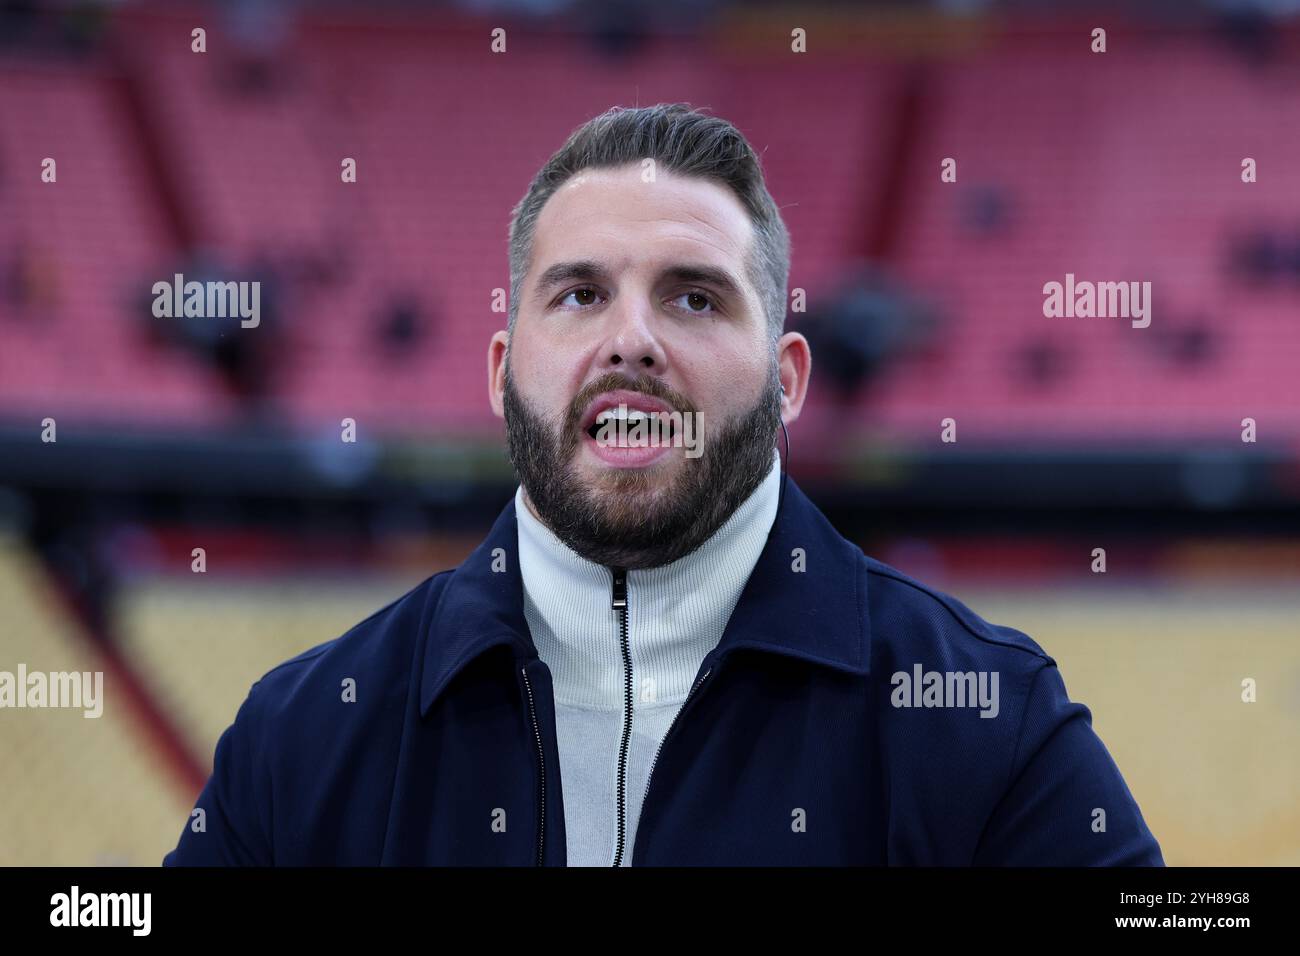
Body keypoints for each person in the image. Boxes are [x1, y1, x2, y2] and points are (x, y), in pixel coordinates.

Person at [164, 103, 1163, 866]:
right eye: (581, 293)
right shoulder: (303, 734)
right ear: (504, 368)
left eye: (692, 296)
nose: (630, 339)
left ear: (785, 382)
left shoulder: (984, 717)